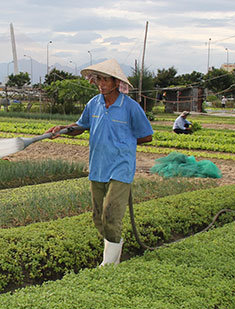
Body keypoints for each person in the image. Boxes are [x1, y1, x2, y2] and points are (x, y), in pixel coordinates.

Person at [46, 59, 154, 266]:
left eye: (106, 80)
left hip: (121, 167)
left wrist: (124, 142)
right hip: (98, 166)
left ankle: (109, 266)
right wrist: (62, 129)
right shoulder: (93, 103)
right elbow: (81, 126)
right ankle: (114, 247)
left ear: (116, 82)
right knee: (98, 218)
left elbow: (146, 136)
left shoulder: (130, 107)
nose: (101, 84)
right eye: (99, 80)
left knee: (111, 214)